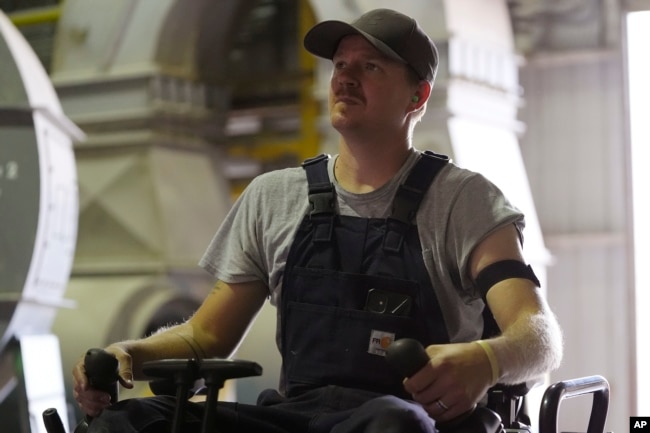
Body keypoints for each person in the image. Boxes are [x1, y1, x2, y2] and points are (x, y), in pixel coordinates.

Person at [72, 8, 563, 433]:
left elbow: (539, 335)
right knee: (129, 423)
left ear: (417, 97)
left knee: (395, 423)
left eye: (370, 67)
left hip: (412, 419)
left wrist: (488, 359)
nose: (346, 77)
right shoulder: (274, 197)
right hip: (296, 416)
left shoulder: (464, 201)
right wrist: (130, 353)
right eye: (341, 65)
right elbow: (206, 337)